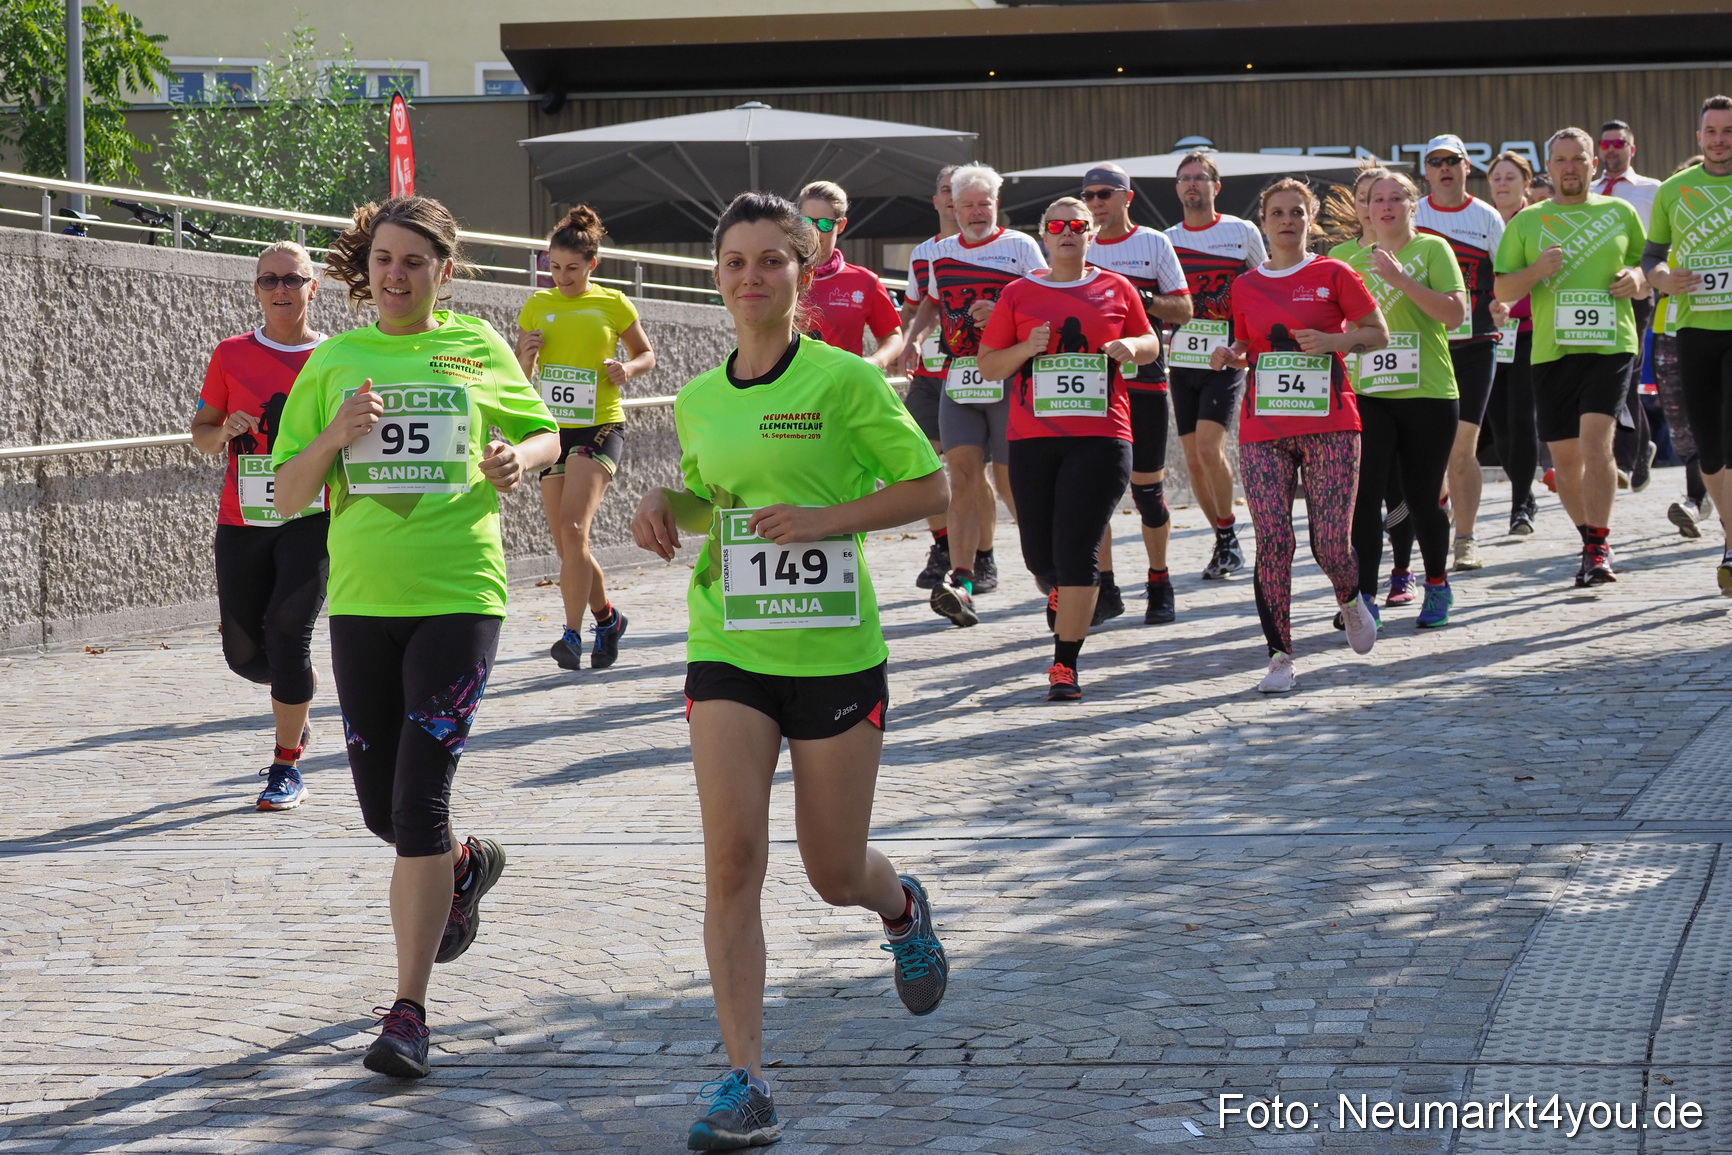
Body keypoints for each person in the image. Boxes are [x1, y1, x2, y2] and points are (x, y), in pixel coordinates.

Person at [631, 192, 950, 1150]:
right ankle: (745, 1077)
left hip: (834, 651)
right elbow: (717, 505)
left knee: (832, 869)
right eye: (735, 261)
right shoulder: (697, 398)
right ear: (717, 276)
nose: (752, 276)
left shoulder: (847, 381)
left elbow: (932, 483)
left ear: (802, 274)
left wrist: (826, 520)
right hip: (728, 642)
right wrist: (662, 503)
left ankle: (900, 905)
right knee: (731, 859)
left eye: (773, 259)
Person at [270, 197, 561, 1078]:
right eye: (385, 260)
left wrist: (523, 458)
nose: (397, 275)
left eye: (415, 261)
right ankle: (465, 865)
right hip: (363, 601)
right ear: (367, 268)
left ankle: (408, 1011)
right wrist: (334, 432)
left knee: (418, 799)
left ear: (445, 267)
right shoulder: (335, 360)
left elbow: (543, 429)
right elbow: (285, 494)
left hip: (459, 593)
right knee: (381, 810)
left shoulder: (476, 348)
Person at [976, 197, 1162, 698]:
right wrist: (1025, 349)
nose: (1068, 232)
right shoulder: (1018, 293)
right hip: (1033, 439)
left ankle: (1065, 665)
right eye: (1057, 225)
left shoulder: (1114, 287)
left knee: (1078, 548)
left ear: (1090, 234)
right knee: (1042, 557)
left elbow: (1150, 342)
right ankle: (1059, 589)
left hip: (1103, 436)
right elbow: (990, 365)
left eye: (1078, 225)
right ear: (1044, 234)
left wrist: (1133, 349)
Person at [1211, 178, 1388, 692]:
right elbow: (1247, 343)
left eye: (1296, 213)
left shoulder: (1334, 272)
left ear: (1310, 221)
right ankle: (1280, 657)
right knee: (1273, 541)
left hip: (1331, 422)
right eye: (1277, 213)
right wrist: (1231, 355)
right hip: (1264, 425)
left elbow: (1377, 334)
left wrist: (1335, 339)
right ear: (1263, 223)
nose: (1287, 221)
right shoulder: (1245, 285)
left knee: (1330, 543)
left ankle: (1350, 598)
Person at [191, 241, 328, 811]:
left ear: (311, 289)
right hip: (243, 516)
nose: (280, 289)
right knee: (246, 653)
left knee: (288, 632)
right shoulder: (230, 354)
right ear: (255, 289)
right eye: (269, 280)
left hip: (311, 516)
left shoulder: (336, 356)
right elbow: (201, 431)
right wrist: (225, 431)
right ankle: (296, 706)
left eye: (292, 280)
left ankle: (284, 761)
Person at [1495, 128, 1648, 586]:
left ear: (1593, 165)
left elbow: (1647, 269)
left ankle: (1599, 546)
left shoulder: (1620, 212)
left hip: (1610, 344)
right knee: (1564, 462)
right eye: (1560, 160)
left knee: (1596, 439)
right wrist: (1537, 271)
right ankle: (1590, 541)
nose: (1569, 167)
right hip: (1552, 350)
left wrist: (1636, 281)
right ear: (1550, 167)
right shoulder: (1528, 221)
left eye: (1578, 159)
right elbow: (1503, 289)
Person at [905, 163, 1047, 627]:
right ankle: (962, 582)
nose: (975, 212)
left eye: (984, 203)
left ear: (996, 204)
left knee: (1013, 484)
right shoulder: (940, 252)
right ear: (952, 207)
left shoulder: (1021, 246)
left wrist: (1005, 304)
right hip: (959, 374)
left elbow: (1047, 298)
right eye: (966, 204)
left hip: (1010, 377)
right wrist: (913, 338)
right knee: (961, 475)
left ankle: (1050, 573)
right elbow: (930, 300)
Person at [515, 205, 655, 672]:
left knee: (575, 529)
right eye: (553, 267)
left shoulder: (613, 303)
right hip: (554, 429)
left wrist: (626, 369)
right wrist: (528, 358)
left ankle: (572, 635)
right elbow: (520, 378)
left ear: (592, 264)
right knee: (566, 545)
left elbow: (645, 355)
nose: (561, 276)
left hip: (601, 426)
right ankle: (608, 618)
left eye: (571, 268)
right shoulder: (537, 305)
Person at [1346, 171, 1468, 629]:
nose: (1387, 206)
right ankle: (1364, 597)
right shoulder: (1345, 257)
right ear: (1368, 210)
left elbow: (1454, 315)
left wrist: (1401, 280)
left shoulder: (1434, 250)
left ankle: (1436, 583)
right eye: (1378, 199)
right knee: (1365, 499)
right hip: (1368, 393)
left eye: (1397, 198)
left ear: (1413, 206)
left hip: (1428, 391)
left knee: (1422, 497)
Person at [1077, 162, 1193, 624]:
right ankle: (1105, 586)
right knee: (1096, 494)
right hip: (1091, 389)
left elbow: (1184, 308)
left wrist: (1136, 298)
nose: (1095, 203)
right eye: (1088, 195)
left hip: (1144, 382)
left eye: (1104, 193)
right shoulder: (1075, 244)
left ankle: (1159, 580)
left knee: (1148, 493)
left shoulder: (1153, 242)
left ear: (1127, 197)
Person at [1164, 152, 1267, 585]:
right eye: (1185, 179)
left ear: (1215, 186)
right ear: (1177, 189)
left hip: (1224, 356)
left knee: (1210, 447)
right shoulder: (1165, 238)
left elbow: (1264, 284)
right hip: (1181, 357)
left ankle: (1228, 533)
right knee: (1192, 456)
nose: (1192, 185)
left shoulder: (1240, 231)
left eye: (1200, 178)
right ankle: (1224, 537)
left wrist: (1252, 345)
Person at [1644, 96, 1732, 591]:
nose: (1720, 139)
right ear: (1698, 138)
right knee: (1708, 450)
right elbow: (1651, 256)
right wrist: (1661, 278)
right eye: (1711, 131)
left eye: (1728, 130)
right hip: (1694, 330)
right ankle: (1729, 531)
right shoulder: (1675, 190)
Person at [1415, 134, 1508, 572]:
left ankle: (1466, 539)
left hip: (1475, 342)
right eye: (1435, 162)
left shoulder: (1486, 217)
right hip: (1424, 343)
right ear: (1426, 172)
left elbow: (1506, 275)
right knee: (1426, 447)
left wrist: (1504, 303)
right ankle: (1438, 507)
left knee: (1462, 445)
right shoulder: (1414, 214)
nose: (1444, 168)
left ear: (1467, 167)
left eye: (1452, 160)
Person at [900, 165, 969, 589]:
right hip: (930, 370)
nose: (951, 198)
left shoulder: (999, 248)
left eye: (960, 192)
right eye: (946, 190)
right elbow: (915, 306)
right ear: (938, 200)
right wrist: (910, 338)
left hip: (975, 372)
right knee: (919, 461)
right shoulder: (924, 251)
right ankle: (944, 544)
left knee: (969, 471)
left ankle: (981, 557)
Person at [1595, 120, 1662, 492]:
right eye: (1605, 144)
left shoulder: (1653, 190)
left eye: (1619, 143)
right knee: (1611, 375)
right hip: (1594, 297)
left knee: (1627, 374)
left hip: (1637, 292)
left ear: (1631, 150)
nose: (1611, 149)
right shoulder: (1587, 192)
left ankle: (1620, 460)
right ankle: (1642, 443)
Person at [1483, 151, 1544, 535]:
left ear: (1526, 183)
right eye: (1496, 178)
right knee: (1499, 425)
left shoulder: (1539, 221)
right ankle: (1524, 490)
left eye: (1510, 177)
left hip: (1529, 331)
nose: (1502, 184)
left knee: (1522, 419)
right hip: (1489, 335)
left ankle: (1520, 502)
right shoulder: (1482, 221)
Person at [798, 180, 905, 372]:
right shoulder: (781, 275)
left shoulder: (864, 281)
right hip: (791, 389)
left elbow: (893, 336)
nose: (813, 231)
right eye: (806, 221)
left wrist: (875, 363)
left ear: (841, 225)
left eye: (824, 224)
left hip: (843, 389)